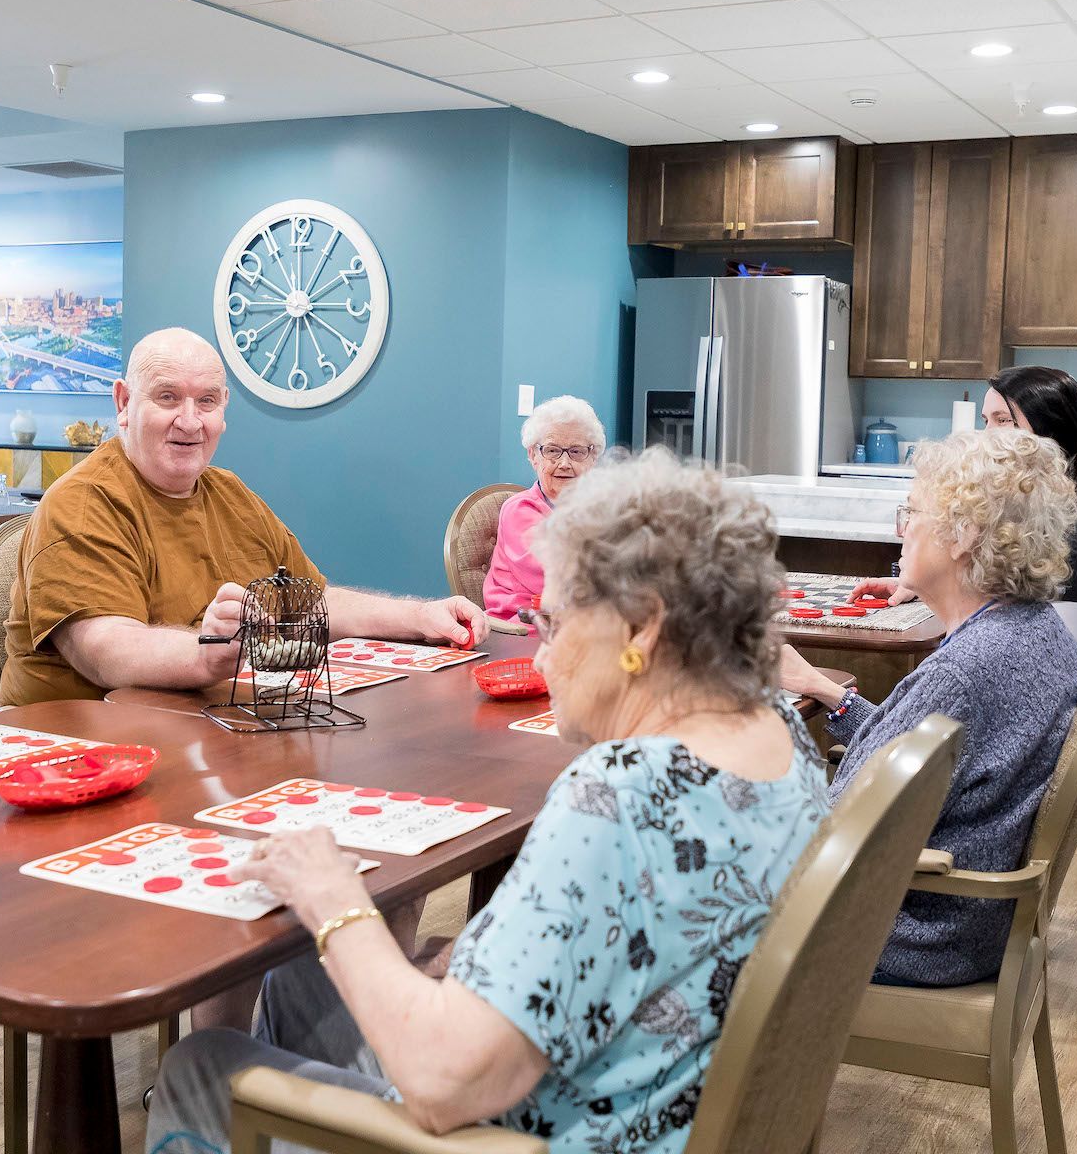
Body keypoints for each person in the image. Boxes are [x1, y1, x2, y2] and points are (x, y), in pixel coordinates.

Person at [146, 449, 831, 1154]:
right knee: (315, 965)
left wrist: (332, 898)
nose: (539, 656)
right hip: (655, 1091)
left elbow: (445, 1085)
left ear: (642, 629)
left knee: (202, 1066)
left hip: (532, 1130)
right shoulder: (779, 734)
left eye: (555, 625)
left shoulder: (618, 798)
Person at [0, 328, 486, 706]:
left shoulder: (228, 492)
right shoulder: (84, 502)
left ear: (224, 410)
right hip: (77, 745)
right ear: (124, 403)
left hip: (200, 728)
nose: (190, 421)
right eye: (168, 397)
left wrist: (422, 617)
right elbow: (104, 649)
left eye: (206, 400)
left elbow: (312, 602)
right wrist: (206, 652)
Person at [782, 429, 1077, 988]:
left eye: (912, 511)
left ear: (964, 535)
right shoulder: (1036, 631)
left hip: (912, 927)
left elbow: (838, 828)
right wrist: (827, 692)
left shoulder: (963, 672)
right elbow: (917, 754)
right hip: (971, 922)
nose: (900, 528)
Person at [848, 367, 1077, 788]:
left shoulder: (1075, 529)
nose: (987, 435)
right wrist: (929, 584)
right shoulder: (1071, 506)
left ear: (1048, 431)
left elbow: (1044, 669)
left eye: (1002, 421)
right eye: (985, 421)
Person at [482, 394, 604, 619]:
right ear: (533, 455)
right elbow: (555, 580)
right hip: (522, 628)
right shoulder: (519, 511)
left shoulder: (601, 509)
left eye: (576, 452)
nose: (564, 463)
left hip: (580, 623)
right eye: (552, 451)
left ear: (593, 458)